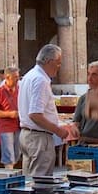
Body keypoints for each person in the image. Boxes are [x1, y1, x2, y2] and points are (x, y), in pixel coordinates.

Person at [19, 44, 77, 177]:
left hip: (28, 135)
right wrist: (58, 130)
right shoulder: (40, 80)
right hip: (39, 137)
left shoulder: (29, 76)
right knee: (40, 181)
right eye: (58, 63)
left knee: (29, 180)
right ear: (49, 62)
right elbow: (35, 114)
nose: (59, 67)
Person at [0, 67, 22, 167]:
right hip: (6, 127)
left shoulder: (20, 89)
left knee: (17, 153)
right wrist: (9, 114)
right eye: (15, 77)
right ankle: (9, 174)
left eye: (18, 77)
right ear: (7, 77)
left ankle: (13, 173)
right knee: (9, 156)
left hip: (19, 126)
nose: (18, 79)